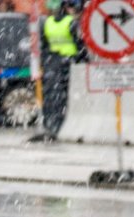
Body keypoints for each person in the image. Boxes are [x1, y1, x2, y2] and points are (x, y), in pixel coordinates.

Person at [40, 0, 87, 140]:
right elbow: (80, 45)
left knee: (54, 97)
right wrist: (84, 60)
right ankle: (59, 123)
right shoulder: (70, 22)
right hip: (70, 64)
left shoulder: (47, 23)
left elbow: (44, 46)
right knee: (67, 97)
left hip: (53, 64)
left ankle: (52, 124)